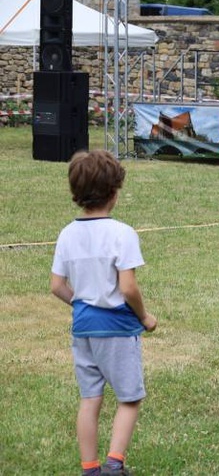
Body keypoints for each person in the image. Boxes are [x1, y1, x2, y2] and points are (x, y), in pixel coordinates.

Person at [50, 150, 158, 476]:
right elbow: (128, 288)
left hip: (82, 328)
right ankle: (114, 464)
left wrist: (82, 304)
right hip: (117, 329)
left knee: (90, 398)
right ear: (113, 193)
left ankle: (90, 469)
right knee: (129, 398)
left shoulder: (67, 234)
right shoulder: (122, 233)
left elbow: (57, 286)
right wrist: (144, 317)